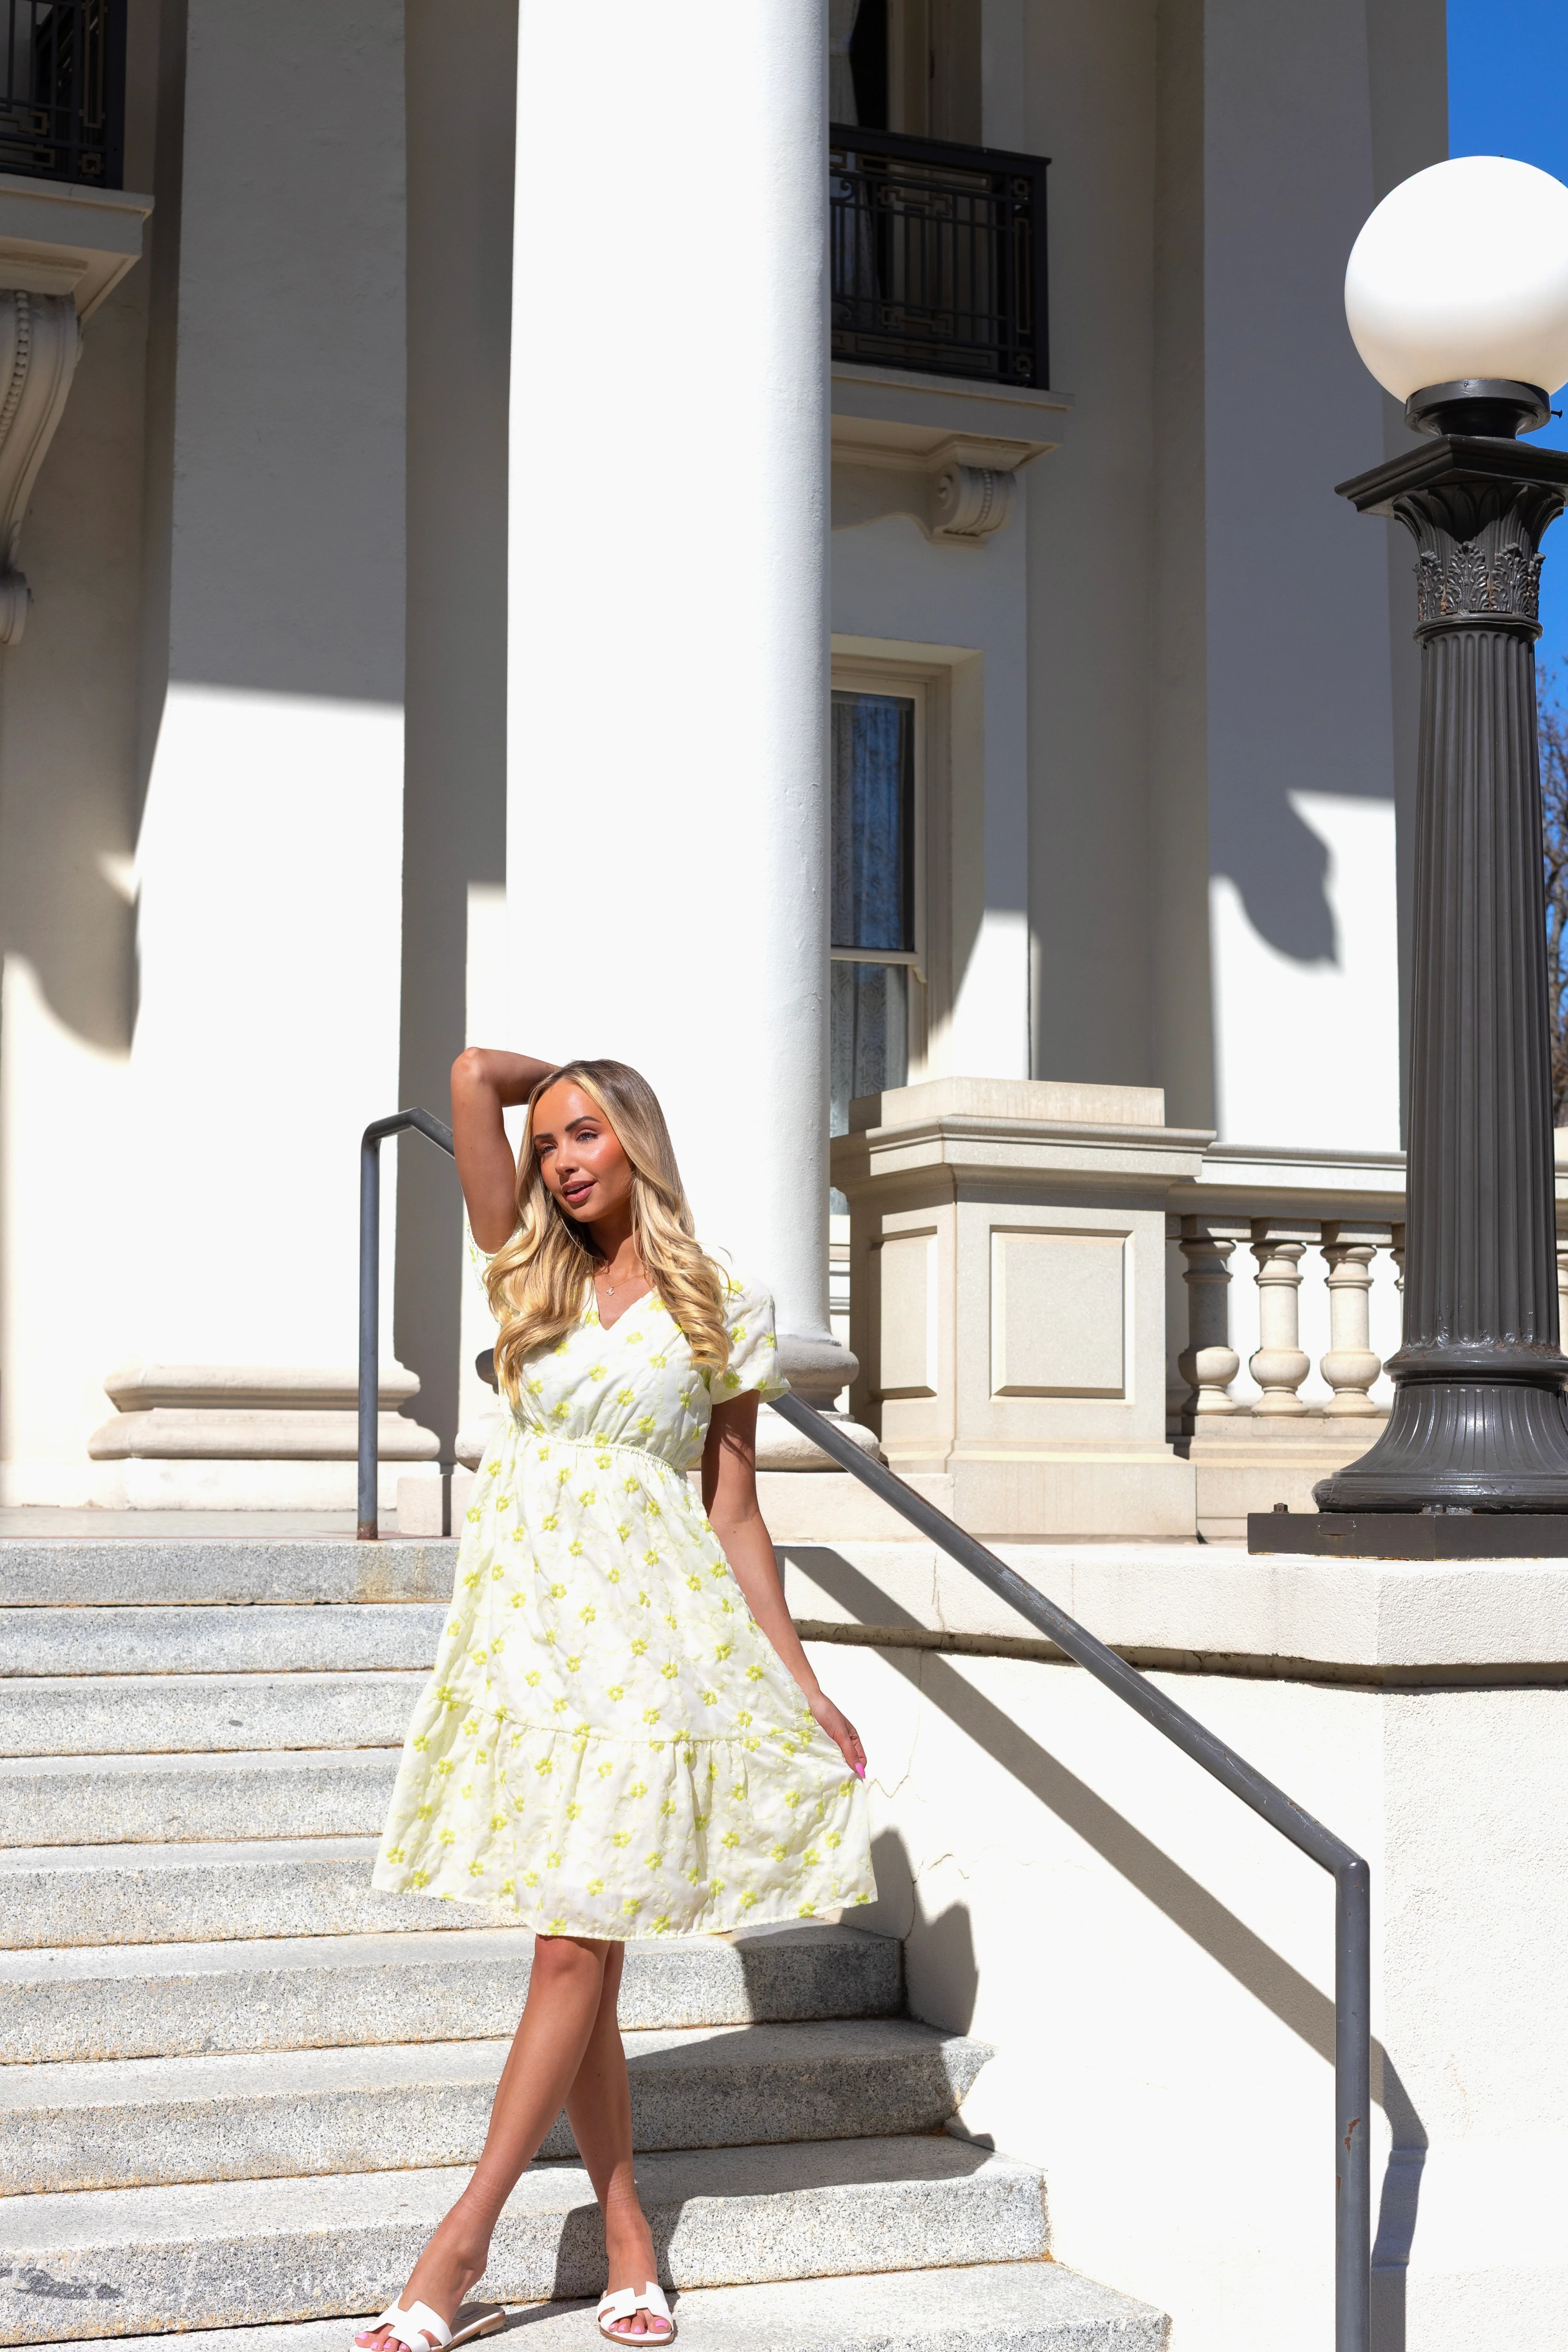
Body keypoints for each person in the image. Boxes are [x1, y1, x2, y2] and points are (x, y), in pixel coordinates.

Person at [355, 1050, 875, 2352]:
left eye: (585, 1132)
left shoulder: (720, 1305)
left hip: (654, 1639)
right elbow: (472, 1077)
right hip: (531, 1638)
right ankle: (628, 2231)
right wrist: (546, 1078)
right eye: (549, 1146)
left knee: (575, 1941)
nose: (563, 1160)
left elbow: (734, 1509)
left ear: (635, 1137)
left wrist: (797, 1676)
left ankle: (460, 2245)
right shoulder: (526, 1267)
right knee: (580, 1938)